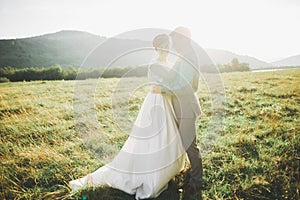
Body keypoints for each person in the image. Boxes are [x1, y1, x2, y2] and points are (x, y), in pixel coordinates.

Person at [69, 34, 187, 199]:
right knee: (155, 137)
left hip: (168, 101)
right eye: (164, 46)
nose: (167, 49)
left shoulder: (169, 63)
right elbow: (156, 85)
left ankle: (168, 168)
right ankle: (151, 173)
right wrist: (172, 85)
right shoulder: (154, 64)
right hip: (157, 102)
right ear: (157, 47)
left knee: (169, 136)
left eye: (168, 45)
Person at [152, 26, 203, 196]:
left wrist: (163, 89)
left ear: (184, 39)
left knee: (190, 145)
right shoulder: (183, 56)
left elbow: (185, 85)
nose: (172, 44)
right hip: (180, 105)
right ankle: (191, 173)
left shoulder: (188, 57)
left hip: (186, 106)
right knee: (185, 142)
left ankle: (196, 182)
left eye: (175, 40)